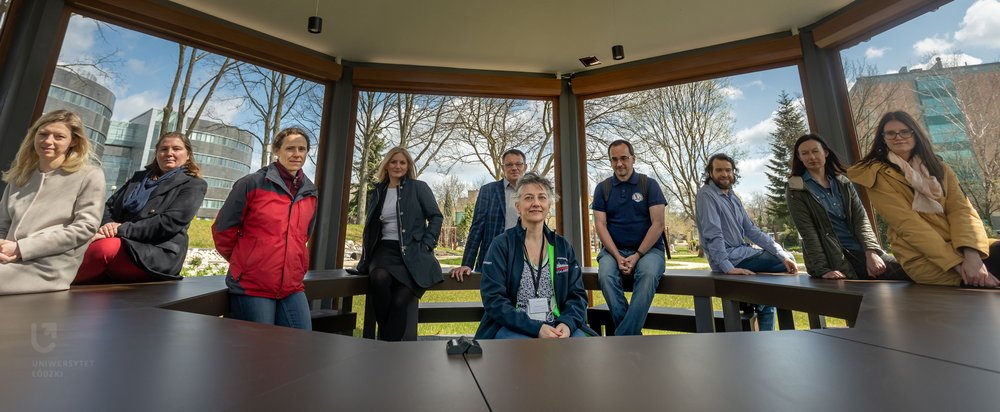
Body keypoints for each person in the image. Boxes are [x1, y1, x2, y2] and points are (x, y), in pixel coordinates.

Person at [848, 111, 999, 287]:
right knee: (984, 289)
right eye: (890, 133)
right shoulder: (876, 174)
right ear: (883, 138)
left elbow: (962, 210)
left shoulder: (939, 167)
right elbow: (908, 225)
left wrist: (972, 256)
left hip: (961, 245)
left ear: (915, 134)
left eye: (905, 131)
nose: (898, 137)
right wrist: (958, 265)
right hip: (923, 256)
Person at [213, 127, 318, 329]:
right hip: (253, 286)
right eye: (290, 148)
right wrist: (246, 263)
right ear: (276, 151)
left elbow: (303, 236)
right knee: (259, 354)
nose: (297, 154)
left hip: (292, 287)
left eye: (302, 149)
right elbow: (222, 231)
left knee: (301, 348)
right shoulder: (251, 184)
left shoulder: (310, 192)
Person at [74, 132, 207, 284]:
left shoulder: (193, 184)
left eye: (176, 149)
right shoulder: (138, 179)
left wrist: (120, 229)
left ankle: (54, 282)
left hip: (155, 252)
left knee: (105, 249)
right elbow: (108, 207)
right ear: (157, 153)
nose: (169, 153)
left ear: (188, 154)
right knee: (77, 243)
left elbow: (169, 223)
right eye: (163, 149)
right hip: (118, 239)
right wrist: (108, 227)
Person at [476, 172, 597, 339]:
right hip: (515, 327)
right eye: (528, 198)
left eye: (542, 197)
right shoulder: (501, 245)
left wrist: (567, 324)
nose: (536, 203)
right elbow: (494, 300)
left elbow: (577, 295)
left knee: (584, 351)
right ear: (517, 206)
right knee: (529, 355)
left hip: (557, 326)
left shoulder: (562, 247)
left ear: (549, 204)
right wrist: (536, 328)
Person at [0, 110, 104, 295]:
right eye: (43, 134)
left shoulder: (89, 175)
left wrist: (21, 248)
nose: (48, 141)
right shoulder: (20, 177)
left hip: (48, 266)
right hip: (7, 259)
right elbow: (2, 224)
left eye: (59, 136)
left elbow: (86, 227)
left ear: (73, 141)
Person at [786, 134, 909, 281]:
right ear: (799, 158)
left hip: (863, 250)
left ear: (825, 153)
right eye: (804, 153)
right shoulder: (796, 188)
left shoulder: (843, 183)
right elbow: (808, 233)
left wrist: (871, 252)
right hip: (837, 258)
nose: (811, 157)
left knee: (915, 271)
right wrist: (822, 269)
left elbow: (860, 219)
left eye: (815, 151)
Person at [696, 153, 797, 331]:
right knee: (785, 265)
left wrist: (780, 253)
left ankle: (763, 325)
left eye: (728, 170)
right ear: (710, 173)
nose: (724, 174)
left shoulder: (733, 197)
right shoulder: (707, 195)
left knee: (769, 293)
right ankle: (757, 308)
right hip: (730, 259)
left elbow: (752, 230)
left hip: (742, 253)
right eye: (719, 170)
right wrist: (728, 268)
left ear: (734, 172)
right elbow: (713, 233)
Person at [357, 147, 443, 341]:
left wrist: (428, 244)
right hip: (384, 251)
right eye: (393, 162)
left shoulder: (419, 188)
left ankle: (386, 345)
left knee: (398, 302)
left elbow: (436, 216)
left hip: (414, 252)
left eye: (402, 162)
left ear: (408, 166)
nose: (398, 166)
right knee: (379, 278)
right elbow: (371, 226)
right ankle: (389, 347)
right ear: (386, 164)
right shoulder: (378, 191)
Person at [592, 139, 666, 336]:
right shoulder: (603, 188)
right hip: (613, 251)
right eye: (614, 159)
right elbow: (600, 224)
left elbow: (658, 224)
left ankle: (623, 337)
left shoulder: (649, 185)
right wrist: (617, 256)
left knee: (648, 274)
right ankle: (632, 336)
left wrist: (638, 255)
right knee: (606, 275)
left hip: (649, 251)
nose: (619, 164)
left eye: (624, 158)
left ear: (633, 158)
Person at [450, 148, 527, 282]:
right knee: (494, 300)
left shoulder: (533, 192)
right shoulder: (488, 191)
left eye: (518, 164)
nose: (514, 168)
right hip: (494, 257)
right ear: (503, 168)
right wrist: (467, 263)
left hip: (526, 257)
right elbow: (477, 228)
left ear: (525, 167)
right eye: (509, 165)